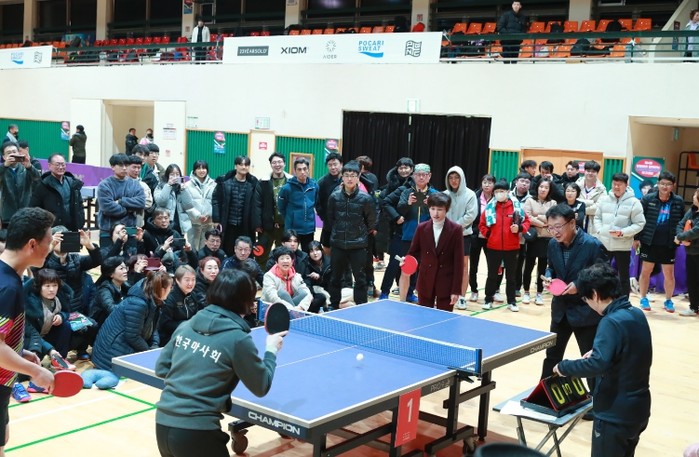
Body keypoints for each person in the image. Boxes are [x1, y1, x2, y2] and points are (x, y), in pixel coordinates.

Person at [155, 269, 286, 457]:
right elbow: (261, 386)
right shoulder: (238, 339)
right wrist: (271, 350)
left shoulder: (186, 325)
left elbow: (161, 368)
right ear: (245, 300)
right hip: (197, 432)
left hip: (163, 424)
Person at [554, 262, 652, 457]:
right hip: (639, 410)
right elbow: (632, 348)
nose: (588, 304)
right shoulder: (636, 314)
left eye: (586, 298)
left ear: (595, 294)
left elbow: (597, 364)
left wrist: (564, 367)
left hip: (614, 414)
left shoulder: (610, 322)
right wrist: (602, 350)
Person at [0, 207, 55, 446]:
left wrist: (18, 352)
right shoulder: (8, 287)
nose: (50, 248)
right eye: (48, 242)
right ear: (32, 244)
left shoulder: (8, 277)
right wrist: (36, 372)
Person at [541, 204, 607, 380]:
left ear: (572, 223)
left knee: (590, 361)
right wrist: (549, 276)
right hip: (560, 312)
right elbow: (551, 267)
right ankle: (543, 393)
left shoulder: (592, 245)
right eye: (550, 228)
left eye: (558, 226)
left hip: (585, 313)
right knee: (552, 357)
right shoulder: (552, 244)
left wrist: (579, 285)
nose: (554, 232)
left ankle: (597, 396)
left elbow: (604, 275)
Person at [91, 270, 173, 372]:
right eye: (170, 287)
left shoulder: (153, 299)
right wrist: (148, 351)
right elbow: (132, 337)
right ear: (162, 289)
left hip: (127, 346)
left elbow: (153, 327)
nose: (171, 290)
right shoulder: (138, 304)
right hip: (110, 355)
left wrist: (154, 345)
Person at [400, 192, 464, 311]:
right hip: (425, 280)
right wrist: (406, 261)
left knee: (444, 318)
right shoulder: (421, 228)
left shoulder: (456, 230)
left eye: (440, 209)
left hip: (446, 282)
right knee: (424, 316)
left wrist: (456, 290)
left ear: (446, 210)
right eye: (433, 209)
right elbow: (413, 253)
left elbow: (458, 262)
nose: (436, 213)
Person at [326, 162, 376, 309]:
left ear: (358, 177)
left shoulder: (365, 198)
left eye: (353, 175)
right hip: (338, 243)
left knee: (360, 279)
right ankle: (333, 305)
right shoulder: (334, 197)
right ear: (342, 177)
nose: (349, 179)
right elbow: (330, 220)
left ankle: (361, 307)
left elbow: (372, 221)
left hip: (358, 245)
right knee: (335, 277)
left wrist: (359, 232)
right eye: (346, 175)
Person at [634, 171, 685, 312]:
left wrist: (680, 236)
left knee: (669, 273)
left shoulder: (678, 201)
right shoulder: (648, 199)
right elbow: (639, 220)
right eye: (662, 183)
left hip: (668, 243)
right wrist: (637, 238)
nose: (665, 186)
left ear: (673, 186)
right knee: (646, 271)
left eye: (668, 184)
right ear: (658, 184)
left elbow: (682, 221)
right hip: (649, 241)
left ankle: (668, 300)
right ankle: (643, 298)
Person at [479, 179, 530, 311]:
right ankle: (488, 299)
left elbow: (527, 222)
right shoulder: (490, 207)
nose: (499, 194)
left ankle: (512, 302)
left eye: (501, 191)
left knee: (511, 277)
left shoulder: (516, 207)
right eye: (496, 191)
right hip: (493, 247)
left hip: (512, 247)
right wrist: (489, 234)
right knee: (492, 275)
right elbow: (482, 224)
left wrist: (519, 228)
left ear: (508, 192)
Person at [594, 173, 646, 297]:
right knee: (601, 273)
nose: (616, 187)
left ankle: (623, 301)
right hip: (604, 243)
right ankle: (602, 298)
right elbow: (597, 217)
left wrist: (623, 233)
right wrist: (600, 230)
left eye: (619, 184)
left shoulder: (634, 202)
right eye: (614, 184)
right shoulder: (604, 199)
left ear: (626, 185)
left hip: (622, 245)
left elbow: (640, 223)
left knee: (623, 275)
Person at [377, 157, 414, 300]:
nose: (403, 170)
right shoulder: (393, 185)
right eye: (401, 167)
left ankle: (408, 291)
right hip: (394, 228)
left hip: (412, 229)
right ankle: (384, 292)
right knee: (395, 261)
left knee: (411, 263)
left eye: (406, 167)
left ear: (412, 169)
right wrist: (396, 217)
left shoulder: (419, 185)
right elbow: (384, 202)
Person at [212, 156, 262, 257]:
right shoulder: (224, 181)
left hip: (246, 224)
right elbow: (216, 199)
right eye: (241, 164)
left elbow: (257, 204)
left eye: (246, 165)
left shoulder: (254, 183)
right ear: (236, 166)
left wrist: (257, 224)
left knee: (245, 249)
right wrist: (216, 219)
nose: (244, 167)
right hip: (227, 223)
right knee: (227, 249)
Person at [444, 166, 478, 310]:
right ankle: (445, 293)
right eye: (451, 178)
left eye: (456, 177)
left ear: (462, 178)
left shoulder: (470, 195)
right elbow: (440, 213)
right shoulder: (444, 195)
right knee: (445, 265)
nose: (454, 180)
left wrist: (454, 227)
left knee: (463, 267)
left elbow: (471, 215)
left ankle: (462, 297)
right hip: (446, 236)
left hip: (463, 235)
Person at [96, 153, 146, 248]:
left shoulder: (135, 184)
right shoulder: (104, 185)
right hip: (108, 229)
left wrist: (121, 201)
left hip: (130, 228)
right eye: (121, 165)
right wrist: (129, 209)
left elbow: (141, 202)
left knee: (131, 256)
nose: (124, 168)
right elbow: (107, 208)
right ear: (112, 167)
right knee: (108, 256)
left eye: (126, 165)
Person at [29, 153, 85, 231]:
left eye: (63, 164)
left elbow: (79, 205)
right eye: (57, 165)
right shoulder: (42, 185)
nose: (61, 167)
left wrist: (80, 222)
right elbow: (34, 208)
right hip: (52, 229)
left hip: (72, 228)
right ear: (49, 166)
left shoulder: (73, 183)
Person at [522, 179, 556, 306]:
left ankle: (539, 293)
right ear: (537, 187)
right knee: (528, 266)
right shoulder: (530, 200)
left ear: (549, 190)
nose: (543, 189)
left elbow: (553, 218)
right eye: (541, 186)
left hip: (547, 239)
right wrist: (543, 223)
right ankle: (526, 292)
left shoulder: (553, 203)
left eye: (546, 187)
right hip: (533, 238)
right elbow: (527, 217)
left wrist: (538, 218)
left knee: (542, 268)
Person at [469, 175, 500, 303]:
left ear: (494, 185)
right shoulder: (474, 197)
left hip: (491, 236)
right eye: (485, 182)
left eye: (490, 183)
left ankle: (493, 291)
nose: (487, 185)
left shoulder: (498, 199)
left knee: (493, 266)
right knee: (473, 266)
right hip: (476, 235)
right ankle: (474, 290)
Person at [278, 157, 319, 252]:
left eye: (304, 169)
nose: (302, 172)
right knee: (289, 254)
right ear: (295, 171)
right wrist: (291, 217)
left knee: (307, 254)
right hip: (292, 229)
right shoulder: (286, 188)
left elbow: (316, 203)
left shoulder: (314, 186)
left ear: (308, 170)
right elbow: (281, 207)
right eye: (299, 169)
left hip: (309, 229)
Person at [259, 153, 292, 266]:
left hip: (285, 225)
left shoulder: (291, 181)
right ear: (271, 164)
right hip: (267, 225)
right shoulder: (263, 181)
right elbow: (258, 203)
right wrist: (258, 223)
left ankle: (281, 275)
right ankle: (261, 275)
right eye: (274, 162)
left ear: (284, 163)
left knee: (283, 254)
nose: (277, 165)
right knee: (262, 254)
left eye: (280, 162)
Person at [0, 141, 41, 228]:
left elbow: (38, 179)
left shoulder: (26, 168)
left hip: (25, 214)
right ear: (4, 157)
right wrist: (5, 166)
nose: (12, 155)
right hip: (7, 216)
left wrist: (29, 166)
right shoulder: (2, 170)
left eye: (14, 152)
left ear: (18, 153)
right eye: (9, 153)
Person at [261, 247, 313, 311]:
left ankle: (294, 314)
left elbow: (308, 294)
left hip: (293, 307)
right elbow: (272, 297)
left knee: (303, 293)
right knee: (282, 293)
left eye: (288, 258)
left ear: (292, 261)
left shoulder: (296, 276)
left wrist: (301, 307)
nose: (285, 261)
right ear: (276, 262)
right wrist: (292, 309)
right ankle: (294, 315)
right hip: (271, 308)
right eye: (282, 258)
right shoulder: (269, 276)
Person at [159, 265, 199, 346]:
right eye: (187, 280)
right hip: (170, 337)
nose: (191, 283)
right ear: (177, 280)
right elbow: (165, 324)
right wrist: (187, 325)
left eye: (193, 279)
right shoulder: (170, 296)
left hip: (189, 334)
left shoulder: (193, 295)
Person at [182, 160, 216, 252]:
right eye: (199, 168)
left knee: (206, 249)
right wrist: (198, 216)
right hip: (193, 223)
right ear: (194, 171)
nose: (201, 171)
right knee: (192, 249)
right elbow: (186, 204)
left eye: (204, 168)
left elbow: (215, 202)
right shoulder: (187, 185)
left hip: (208, 223)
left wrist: (208, 214)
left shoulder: (213, 184)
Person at [509, 172, 533, 298]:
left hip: (522, 237)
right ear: (516, 182)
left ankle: (517, 287)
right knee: (504, 264)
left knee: (519, 263)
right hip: (507, 236)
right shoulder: (508, 196)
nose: (524, 184)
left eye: (527, 182)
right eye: (522, 181)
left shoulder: (531, 199)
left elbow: (529, 218)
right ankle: (497, 288)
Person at [677, 188, 699, 316]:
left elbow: (696, 231)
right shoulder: (692, 210)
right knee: (692, 280)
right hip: (691, 252)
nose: (693, 196)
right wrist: (680, 236)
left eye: (695, 195)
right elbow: (681, 223)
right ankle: (694, 307)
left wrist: (680, 237)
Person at [154, 164, 192, 237]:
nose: (175, 177)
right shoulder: (160, 186)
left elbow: (189, 205)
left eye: (177, 174)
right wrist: (168, 185)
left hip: (180, 225)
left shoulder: (183, 188)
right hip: (165, 224)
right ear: (167, 176)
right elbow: (161, 202)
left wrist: (183, 189)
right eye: (172, 174)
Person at [91, 257, 130, 328]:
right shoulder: (104, 289)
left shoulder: (125, 286)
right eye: (121, 268)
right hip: (102, 325)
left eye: (125, 268)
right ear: (111, 274)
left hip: (117, 322)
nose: (125, 271)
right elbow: (111, 309)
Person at [316, 152, 343, 254]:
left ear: (341, 164)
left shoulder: (347, 179)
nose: (333, 167)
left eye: (335, 164)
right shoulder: (322, 182)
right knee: (327, 248)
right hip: (329, 223)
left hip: (344, 223)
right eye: (330, 165)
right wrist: (324, 217)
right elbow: (317, 203)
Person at [576, 160, 606, 234]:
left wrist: (580, 210)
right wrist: (591, 202)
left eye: (593, 171)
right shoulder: (576, 186)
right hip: (576, 223)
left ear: (597, 173)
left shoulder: (602, 189)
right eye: (588, 171)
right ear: (584, 171)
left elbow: (598, 208)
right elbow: (572, 202)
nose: (590, 173)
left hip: (593, 226)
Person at [125, 154, 153, 229]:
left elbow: (148, 203)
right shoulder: (120, 183)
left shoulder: (143, 185)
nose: (137, 170)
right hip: (120, 223)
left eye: (139, 168)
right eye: (134, 167)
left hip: (137, 223)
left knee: (134, 236)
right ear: (127, 167)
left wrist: (127, 203)